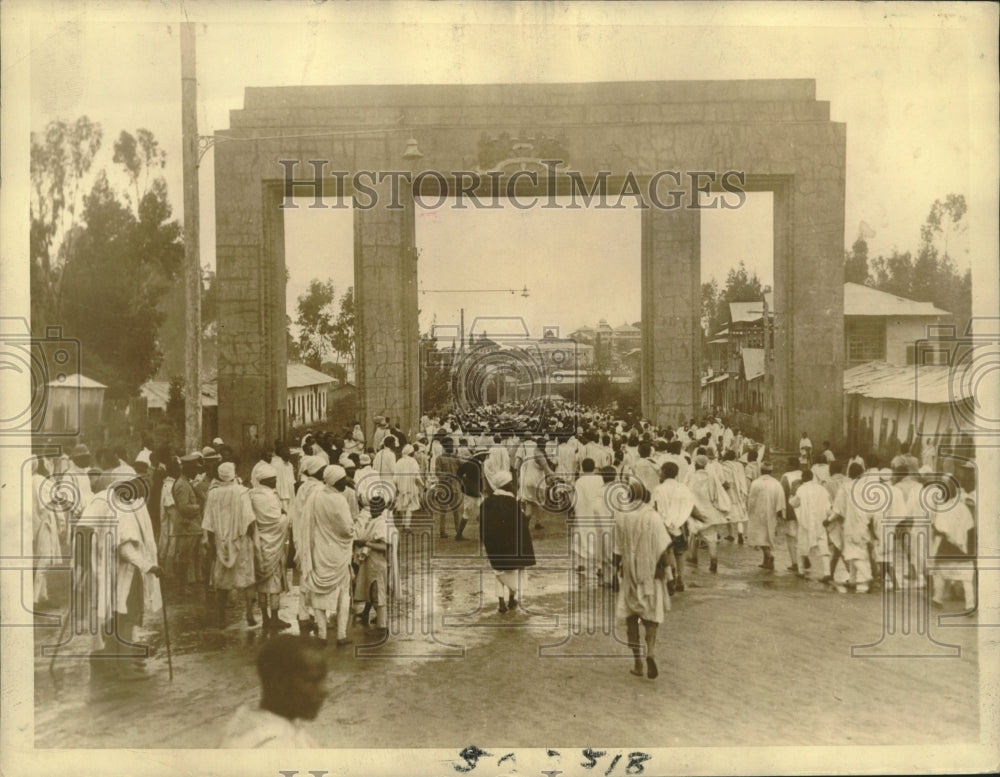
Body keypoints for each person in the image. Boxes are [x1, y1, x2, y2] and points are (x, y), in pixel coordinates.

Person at [82, 449, 164, 682]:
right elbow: (126, 548)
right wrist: (149, 567)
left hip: (111, 571)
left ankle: (114, 663)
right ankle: (123, 667)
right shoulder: (121, 509)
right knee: (124, 619)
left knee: (115, 618)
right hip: (123, 572)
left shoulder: (113, 503)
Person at [220, 635, 328, 748]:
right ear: (279, 682)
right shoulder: (273, 745)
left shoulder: (246, 724)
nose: (324, 691)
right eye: (312, 681)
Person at [614, 481, 671, 680]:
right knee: (651, 616)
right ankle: (651, 651)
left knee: (631, 616)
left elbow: (617, 550)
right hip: (652, 573)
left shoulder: (622, 517)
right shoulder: (654, 517)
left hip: (630, 573)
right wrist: (670, 575)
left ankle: (638, 663)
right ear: (647, 497)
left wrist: (616, 573)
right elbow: (664, 549)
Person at [301, 465, 355, 646]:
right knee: (344, 594)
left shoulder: (315, 496)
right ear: (334, 481)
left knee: (318, 592)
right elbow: (348, 530)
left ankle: (322, 634)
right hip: (338, 554)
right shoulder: (339, 500)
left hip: (320, 551)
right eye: (343, 480)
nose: (345, 482)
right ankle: (341, 635)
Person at [201, 462, 258, 628]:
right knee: (248, 578)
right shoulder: (241, 492)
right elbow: (249, 519)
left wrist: (211, 542)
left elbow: (208, 521)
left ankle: (220, 618)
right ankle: (249, 613)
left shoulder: (213, 494)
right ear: (234, 474)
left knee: (222, 582)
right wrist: (253, 539)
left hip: (221, 542)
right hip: (240, 540)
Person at [480, 469, 535, 612]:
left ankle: (501, 603)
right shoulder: (512, 503)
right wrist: (528, 512)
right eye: (511, 483)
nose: (513, 486)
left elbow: (482, 523)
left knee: (498, 573)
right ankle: (511, 599)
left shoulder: (487, 503)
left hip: (495, 545)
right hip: (511, 545)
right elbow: (522, 523)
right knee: (514, 572)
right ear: (506, 485)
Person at [251, 463, 291, 632]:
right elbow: (277, 520)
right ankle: (273, 617)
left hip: (259, 542)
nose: (275, 482)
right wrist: (285, 517)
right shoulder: (267, 497)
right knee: (274, 582)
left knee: (261, 583)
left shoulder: (251, 495)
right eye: (272, 479)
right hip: (272, 543)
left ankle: (266, 617)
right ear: (264, 480)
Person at [352, 494, 390, 638]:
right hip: (370, 562)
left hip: (377, 562)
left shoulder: (382, 523)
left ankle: (382, 626)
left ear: (382, 508)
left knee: (377, 593)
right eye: (372, 507)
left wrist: (366, 543)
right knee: (371, 591)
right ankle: (379, 621)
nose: (374, 509)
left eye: (376, 507)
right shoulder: (372, 520)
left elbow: (384, 546)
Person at [686, 454, 731, 573]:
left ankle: (693, 558)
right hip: (709, 511)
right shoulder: (712, 476)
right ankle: (713, 562)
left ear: (696, 465)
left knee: (693, 534)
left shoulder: (692, 477)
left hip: (695, 511)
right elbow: (719, 493)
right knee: (711, 539)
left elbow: (687, 494)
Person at [789, 469, 832, 580]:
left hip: (805, 523)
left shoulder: (801, 489)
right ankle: (827, 572)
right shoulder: (821, 489)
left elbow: (795, 503)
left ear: (803, 478)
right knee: (824, 547)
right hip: (820, 522)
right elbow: (828, 507)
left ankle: (801, 571)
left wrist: (790, 498)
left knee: (801, 547)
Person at [173, 452, 207, 589]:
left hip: (191, 526)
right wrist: (200, 507)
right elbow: (184, 507)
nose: (197, 473)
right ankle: (182, 585)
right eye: (194, 470)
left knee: (189, 557)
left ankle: (185, 583)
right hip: (186, 526)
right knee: (184, 558)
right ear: (187, 469)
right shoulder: (182, 484)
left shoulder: (186, 483)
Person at [746, 461, 785, 570]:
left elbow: (751, 500)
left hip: (758, 513)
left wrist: (749, 511)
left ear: (761, 470)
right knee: (767, 536)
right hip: (771, 513)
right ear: (771, 471)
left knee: (760, 537)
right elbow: (781, 501)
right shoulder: (776, 483)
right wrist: (779, 515)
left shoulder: (756, 483)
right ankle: (766, 561)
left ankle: (769, 556)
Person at [779, 458, 805, 573]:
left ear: (789, 465)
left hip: (791, 510)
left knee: (791, 537)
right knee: (802, 534)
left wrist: (780, 512)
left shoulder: (786, 476)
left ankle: (795, 562)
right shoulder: (804, 474)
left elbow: (782, 494)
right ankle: (804, 557)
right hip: (804, 510)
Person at [394, 444, 423, 532]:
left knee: (403, 506)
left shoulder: (399, 461)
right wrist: (422, 484)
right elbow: (417, 476)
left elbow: (395, 477)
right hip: (411, 487)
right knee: (410, 507)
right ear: (411, 453)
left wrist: (397, 486)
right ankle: (407, 526)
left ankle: (404, 524)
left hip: (401, 487)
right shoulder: (413, 462)